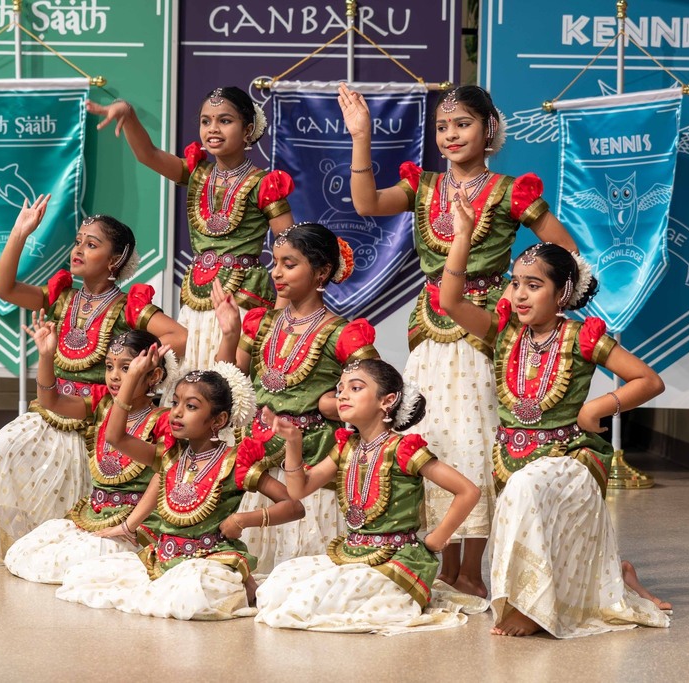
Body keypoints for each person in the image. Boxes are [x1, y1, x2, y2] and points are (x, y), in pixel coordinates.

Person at [337, 82, 579, 596]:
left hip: (483, 330)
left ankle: (472, 568)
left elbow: (565, 253)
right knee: (435, 437)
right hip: (429, 332)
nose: (450, 135)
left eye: (462, 124)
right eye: (442, 127)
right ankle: (443, 562)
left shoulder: (509, 191)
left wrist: (518, 290)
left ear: (488, 129)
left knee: (478, 437)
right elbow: (366, 203)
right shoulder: (423, 187)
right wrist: (361, 137)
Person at [438, 193, 671, 638]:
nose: (520, 294)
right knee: (522, 489)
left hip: (569, 459)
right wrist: (463, 235)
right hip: (511, 458)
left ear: (562, 292)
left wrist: (597, 406)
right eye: (516, 283)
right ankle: (612, 574)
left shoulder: (582, 336)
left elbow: (649, 380)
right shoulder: (502, 332)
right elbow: (449, 302)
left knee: (527, 487)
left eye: (534, 285)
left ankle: (530, 607)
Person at [0, 197, 185, 564]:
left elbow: (178, 336)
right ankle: (16, 548)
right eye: (78, 241)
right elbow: (3, 288)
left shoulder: (127, 306)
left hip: (96, 418)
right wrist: (20, 233)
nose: (79, 249)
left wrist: (137, 370)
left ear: (114, 260)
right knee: (1, 447)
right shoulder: (61, 298)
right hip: (52, 409)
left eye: (91, 244)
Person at [56, 351, 305, 620]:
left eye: (191, 406)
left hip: (208, 563)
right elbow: (116, 437)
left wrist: (243, 520)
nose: (176, 412)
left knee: (191, 596)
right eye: (175, 402)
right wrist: (133, 377)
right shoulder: (169, 456)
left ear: (218, 420)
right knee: (88, 576)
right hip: (162, 559)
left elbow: (294, 507)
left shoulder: (234, 462)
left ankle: (238, 585)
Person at [255, 359, 490, 634]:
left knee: (314, 599)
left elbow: (468, 491)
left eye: (355, 388)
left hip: (397, 560)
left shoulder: (404, 449)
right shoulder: (346, 448)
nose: (342, 395)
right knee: (280, 581)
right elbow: (299, 490)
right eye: (340, 389)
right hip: (353, 553)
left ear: (387, 401)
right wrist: (293, 442)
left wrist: (437, 539)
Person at [88, 86, 295, 373]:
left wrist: (281, 313)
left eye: (225, 120)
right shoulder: (197, 173)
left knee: (230, 380)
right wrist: (129, 116)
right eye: (205, 121)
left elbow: (291, 250)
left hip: (242, 301)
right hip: (195, 299)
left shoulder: (264, 184)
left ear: (248, 130)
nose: (213, 129)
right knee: (190, 380)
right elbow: (148, 154)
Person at [211, 222, 378, 571]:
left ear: (322, 272)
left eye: (289, 264)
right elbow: (228, 383)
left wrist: (332, 404)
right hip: (257, 453)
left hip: (310, 459)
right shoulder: (261, 322)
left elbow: (376, 391)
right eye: (275, 263)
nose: (276, 273)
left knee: (304, 570)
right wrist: (230, 333)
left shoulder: (342, 333)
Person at [3, 323, 173, 584]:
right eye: (109, 367)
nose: (114, 376)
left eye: (126, 368)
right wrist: (46, 356)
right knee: (24, 553)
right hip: (94, 515)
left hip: (137, 525)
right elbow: (51, 402)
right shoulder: (103, 403)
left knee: (74, 568)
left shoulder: (164, 421)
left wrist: (127, 526)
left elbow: (162, 477)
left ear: (154, 375)